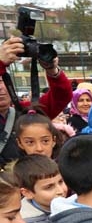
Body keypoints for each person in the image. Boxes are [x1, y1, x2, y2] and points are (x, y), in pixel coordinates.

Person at [0, 36, 72, 167]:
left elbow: (61, 96)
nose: (0, 88)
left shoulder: (25, 113)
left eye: (1, 81)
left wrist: (52, 70)